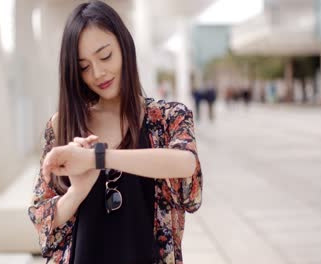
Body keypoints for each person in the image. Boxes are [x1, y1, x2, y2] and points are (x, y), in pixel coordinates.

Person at [27, 1, 203, 264]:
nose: (98, 73)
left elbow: (186, 164)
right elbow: (42, 217)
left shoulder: (168, 117)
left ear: (123, 45)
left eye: (105, 56)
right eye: (84, 67)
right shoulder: (63, 124)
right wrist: (77, 191)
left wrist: (99, 158)